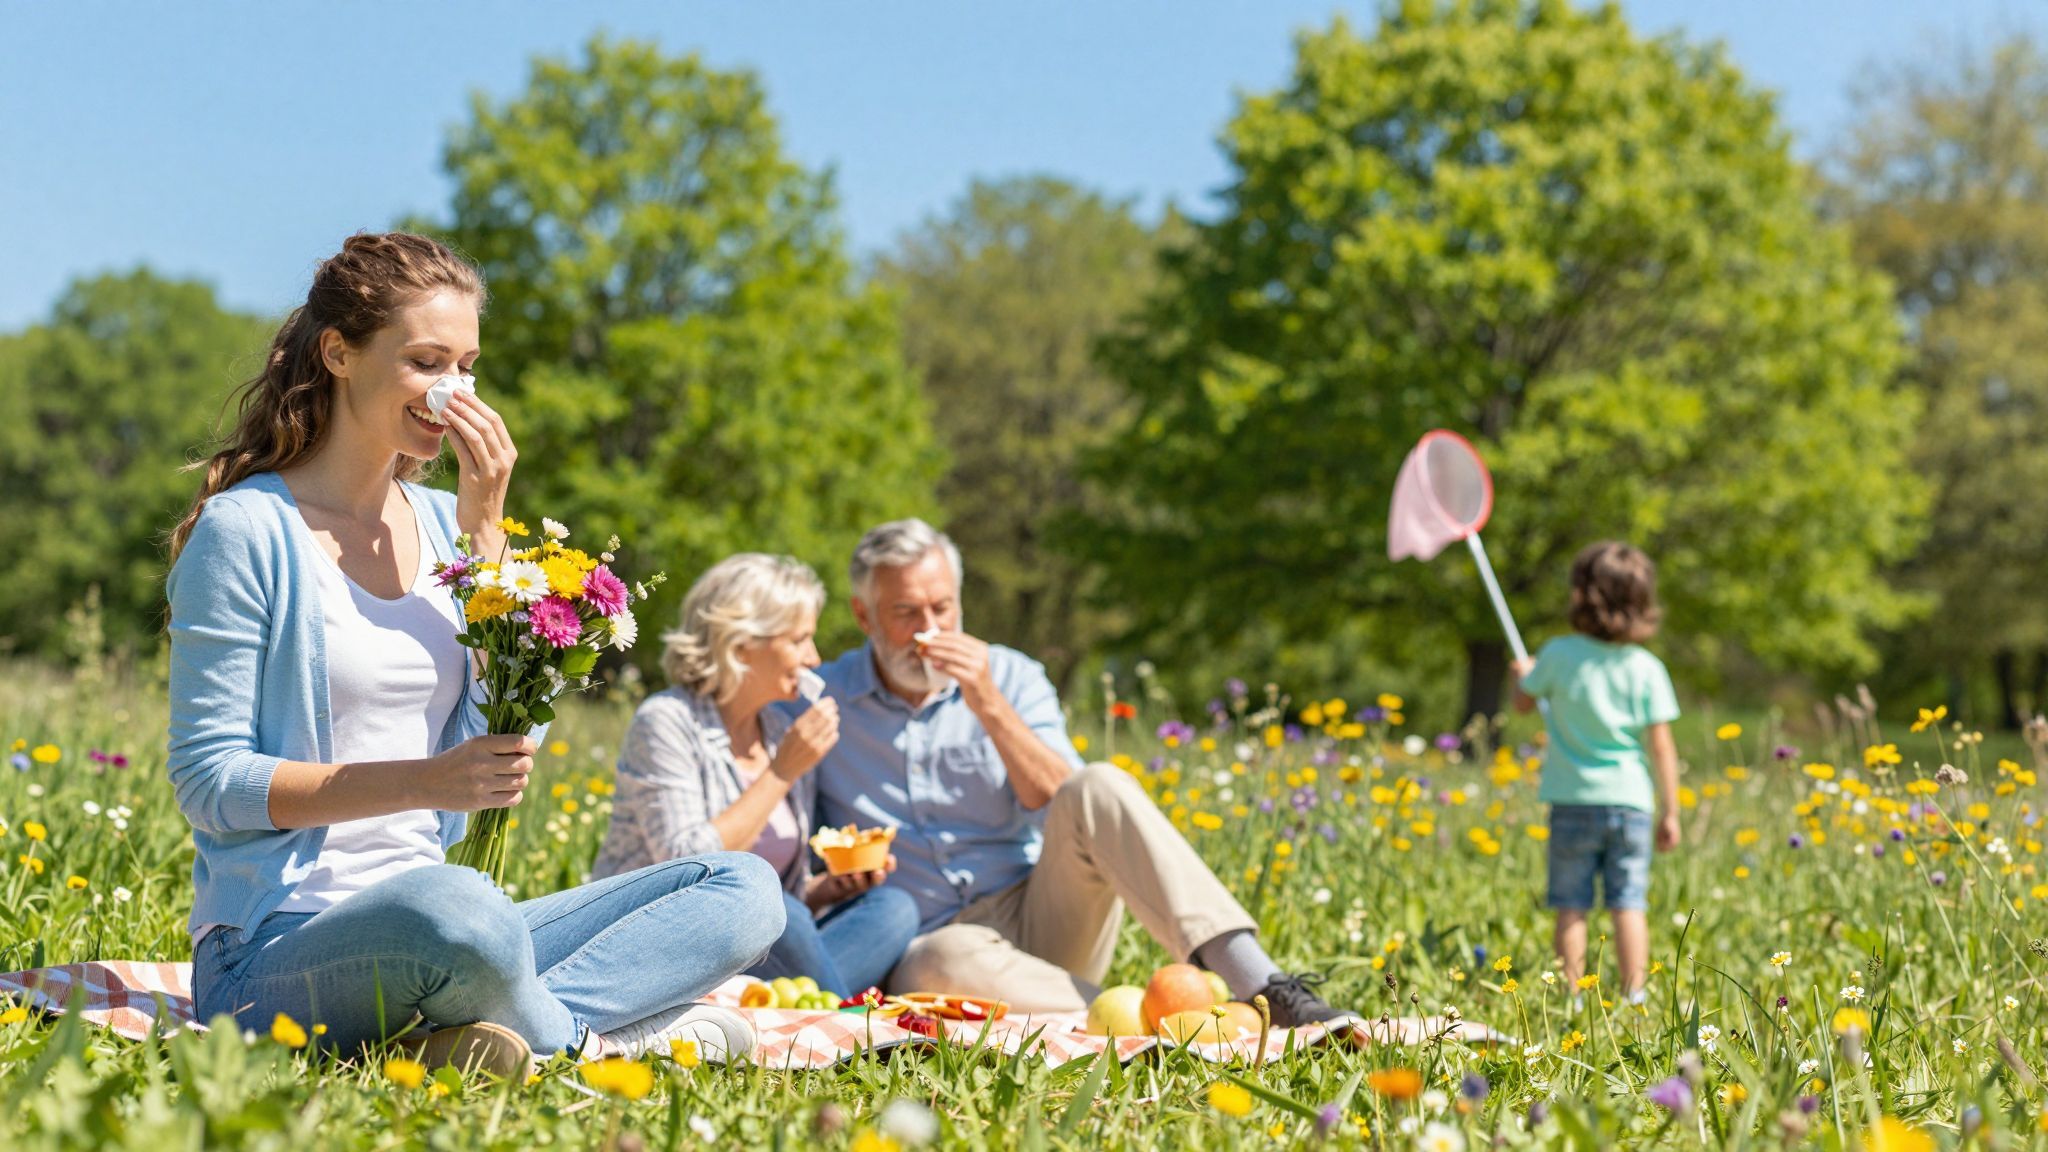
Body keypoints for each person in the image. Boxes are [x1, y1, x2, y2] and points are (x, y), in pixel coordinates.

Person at [166, 232, 782, 1075]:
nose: (451, 391)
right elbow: (209, 784)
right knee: (464, 909)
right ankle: (600, 1049)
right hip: (276, 950)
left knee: (743, 892)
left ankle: (472, 1032)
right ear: (340, 353)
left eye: (467, 366)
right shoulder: (247, 533)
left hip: (445, 920)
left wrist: (485, 528)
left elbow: (499, 735)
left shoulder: (442, 526)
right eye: (425, 362)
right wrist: (423, 783)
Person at [779, 519, 1354, 1026]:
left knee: (1097, 782)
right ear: (863, 615)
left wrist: (987, 701)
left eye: (943, 607)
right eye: (906, 613)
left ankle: (1264, 985)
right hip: (935, 944)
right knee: (938, 959)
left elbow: (1060, 796)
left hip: (1041, 912)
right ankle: (1146, 1016)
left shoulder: (1011, 675)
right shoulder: (821, 701)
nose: (930, 629)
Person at [592, 554, 920, 997]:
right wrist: (781, 772)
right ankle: (847, 1024)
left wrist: (828, 889)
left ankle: (803, 1006)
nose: (814, 657)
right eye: (800, 639)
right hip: (666, 943)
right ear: (743, 643)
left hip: (760, 942)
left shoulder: (779, 733)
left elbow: (789, 892)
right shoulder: (667, 722)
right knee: (777, 912)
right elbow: (686, 862)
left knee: (893, 907)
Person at [1511, 541, 1682, 1005]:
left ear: (1581, 596)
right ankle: (1634, 994)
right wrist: (1672, 811)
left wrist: (1523, 673)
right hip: (1630, 803)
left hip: (1572, 801)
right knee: (1629, 903)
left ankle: (1573, 996)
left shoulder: (1558, 655)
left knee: (1572, 905)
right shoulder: (1647, 668)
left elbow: (1524, 702)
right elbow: (1661, 746)